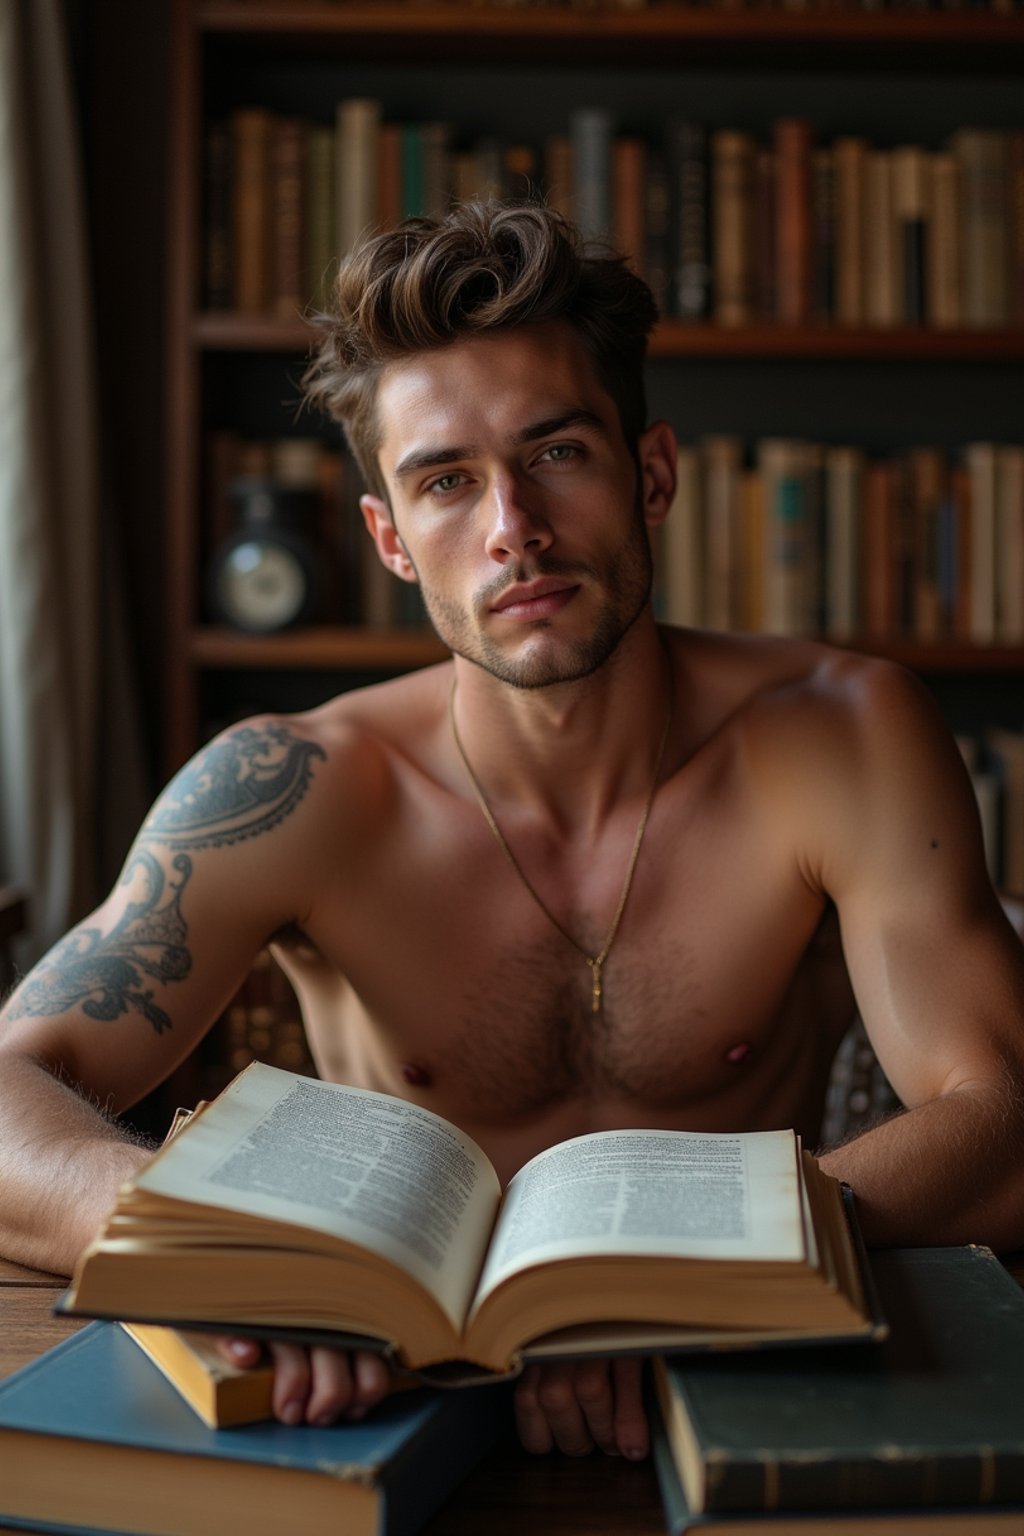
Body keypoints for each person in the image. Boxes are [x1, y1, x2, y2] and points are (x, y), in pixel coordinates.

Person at [2, 201, 1023, 1463]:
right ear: (389, 538)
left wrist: (703, 1271)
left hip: (726, 1374)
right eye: (445, 482)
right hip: (371, 1402)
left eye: (555, 455)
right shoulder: (294, 784)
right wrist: (226, 1247)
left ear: (649, 473)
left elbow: (1003, 1119)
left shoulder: (842, 736)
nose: (512, 530)